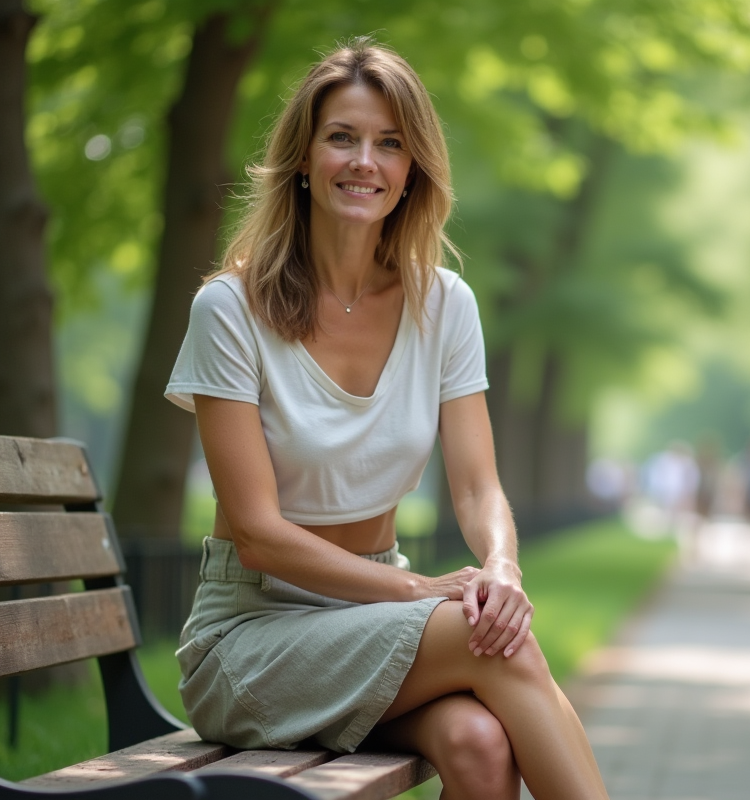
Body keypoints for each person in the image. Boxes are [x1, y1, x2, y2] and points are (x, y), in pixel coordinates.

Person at [164, 40, 608, 800]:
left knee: (477, 743)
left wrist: (501, 568)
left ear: (412, 173)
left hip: (377, 629)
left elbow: (476, 487)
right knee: (486, 639)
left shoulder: (445, 306)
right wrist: (423, 592)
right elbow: (259, 534)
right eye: (343, 137)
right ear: (304, 157)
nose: (364, 161)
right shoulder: (229, 311)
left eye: (390, 144)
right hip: (254, 639)